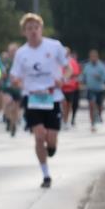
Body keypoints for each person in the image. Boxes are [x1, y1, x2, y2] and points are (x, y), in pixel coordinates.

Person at [9, 13, 68, 188]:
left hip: (53, 97)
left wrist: (62, 79)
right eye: (29, 28)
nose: (33, 31)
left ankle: (52, 147)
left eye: (36, 28)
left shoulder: (54, 46)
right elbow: (14, 76)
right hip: (33, 98)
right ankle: (46, 174)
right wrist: (19, 83)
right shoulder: (21, 53)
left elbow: (68, 68)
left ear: (41, 29)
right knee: (39, 135)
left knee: (51, 139)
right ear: (24, 32)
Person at [81, 49, 105, 132]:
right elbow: (83, 76)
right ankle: (92, 122)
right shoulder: (87, 66)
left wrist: (100, 77)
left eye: (94, 56)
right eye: (91, 57)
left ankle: (99, 115)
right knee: (91, 105)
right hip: (90, 89)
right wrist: (80, 80)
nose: (93, 58)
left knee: (99, 105)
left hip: (99, 89)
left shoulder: (102, 66)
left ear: (97, 57)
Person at [60, 47, 82, 128]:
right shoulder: (59, 61)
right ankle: (63, 119)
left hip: (71, 87)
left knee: (69, 105)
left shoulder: (72, 61)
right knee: (63, 104)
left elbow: (76, 72)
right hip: (61, 88)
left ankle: (66, 120)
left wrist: (68, 75)